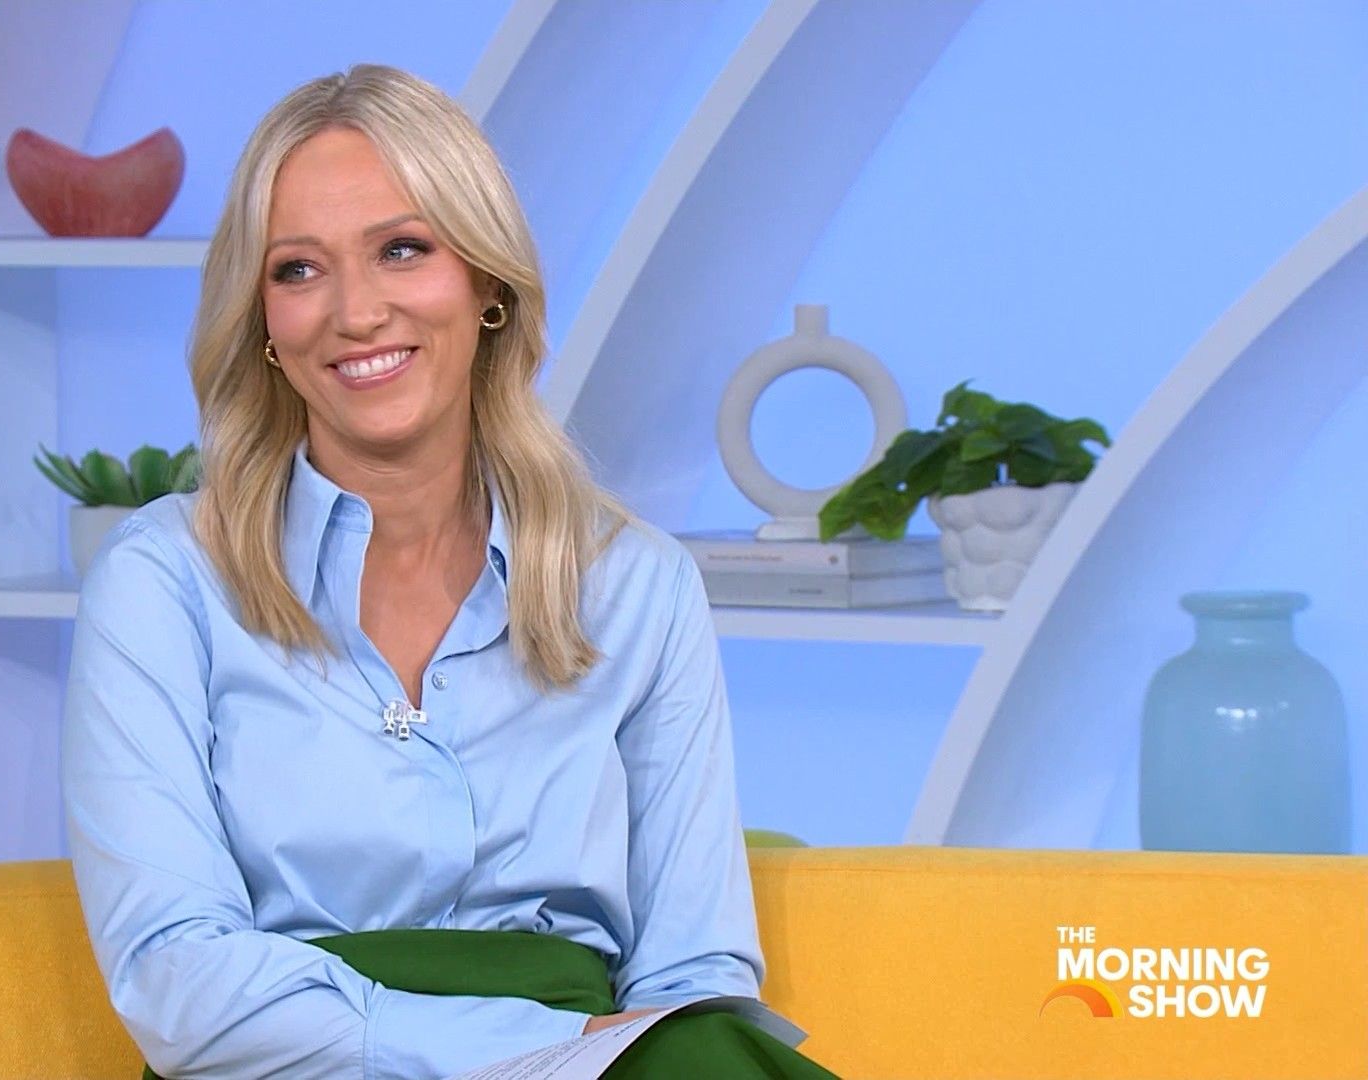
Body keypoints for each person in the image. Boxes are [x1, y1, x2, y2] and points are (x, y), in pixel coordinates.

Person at [63, 63, 836, 1079]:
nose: (356, 312)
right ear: (262, 324)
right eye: (298, 269)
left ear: (487, 286)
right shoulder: (166, 581)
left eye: (403, 249)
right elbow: (175, 981)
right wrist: (537, 1051)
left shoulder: (636, 585)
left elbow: (692, 973)